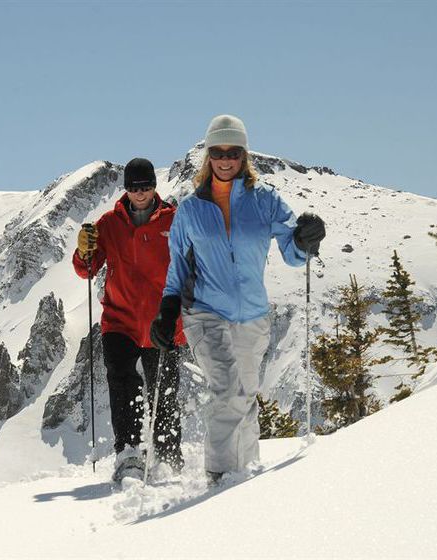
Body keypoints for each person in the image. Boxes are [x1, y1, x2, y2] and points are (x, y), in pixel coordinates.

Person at [150, 115, 326, 484]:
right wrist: (167, 313)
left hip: (253, 316)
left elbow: (293, 254)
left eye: (233, 152)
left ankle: (247, 476)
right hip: (204, 313)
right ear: (208, 155)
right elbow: (177, 269)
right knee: (229, 390)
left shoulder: (266, 201)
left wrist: (307, 238)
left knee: (245, 397)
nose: (225, 159)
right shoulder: (190, 210)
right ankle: (219, 478)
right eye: (218, 151)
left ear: (244, 155)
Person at [73, 157, 186, 484]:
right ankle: (129, 453)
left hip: (161, 323)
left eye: (146, 186)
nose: (141, 193)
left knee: (164, 392)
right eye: (135, 188)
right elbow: (87, 269)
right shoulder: (109, 224)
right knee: (122, 380)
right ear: (126, 189)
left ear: (154, 186)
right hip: (119, 321)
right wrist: (84, 252)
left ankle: (168, 456)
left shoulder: (174, 221)